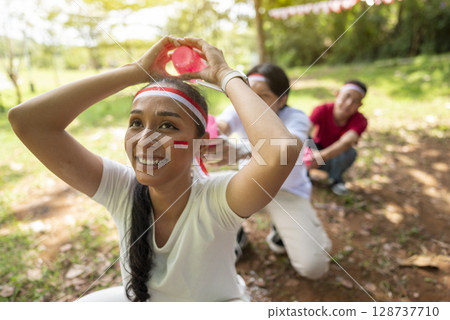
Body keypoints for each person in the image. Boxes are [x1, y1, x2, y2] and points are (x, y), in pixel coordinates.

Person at [8, 36, 300, 301]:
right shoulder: (122, 188)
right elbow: (28, 122)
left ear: (200, 142)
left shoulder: (218, 198)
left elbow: (281, 151)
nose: (145, 140)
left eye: (167, 125)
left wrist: (226, 75)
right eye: (136, 123)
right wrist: (135, 71)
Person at [214, 63, 332, 280]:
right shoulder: (239, 110)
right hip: (249, 184)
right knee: (205, 190)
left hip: (287, 192)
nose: (253, 102)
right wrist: (210, 136)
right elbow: (220, 126)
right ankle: (236, 233)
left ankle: (282, 230)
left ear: (282, 99)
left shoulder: (297, 118)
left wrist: (239, 150)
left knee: (314, 267)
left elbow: (285, 149)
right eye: (249, 94)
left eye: (264, 95)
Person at [308, 80, 368, 196]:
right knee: (302, 140)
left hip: (332, 157)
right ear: (337, 95)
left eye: (355, 101)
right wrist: (310, 153)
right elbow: (305, 130)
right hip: (315, 151)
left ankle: (335, 179)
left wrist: (321, 156)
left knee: (350, 152)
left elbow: (347, 141)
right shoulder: (322, 109)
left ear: (360, 105)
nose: (349, 103)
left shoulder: (360, 120)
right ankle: (302, 173)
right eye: (346, 97)